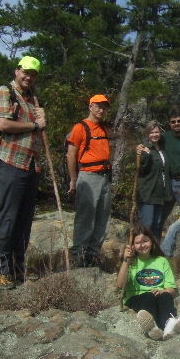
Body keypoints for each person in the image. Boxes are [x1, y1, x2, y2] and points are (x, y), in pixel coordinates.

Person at [0, 56, 46, 290]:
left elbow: (37, 130)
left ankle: (16, 269)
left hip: (30, 165)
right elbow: (3, 124)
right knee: (7, 217)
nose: (29, 77)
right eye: (26, 72)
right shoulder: (4, 92)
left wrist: (41, 120)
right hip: (9, 162)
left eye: (33, 74)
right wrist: (35, 125)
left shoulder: (32, 99)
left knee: (23, 220)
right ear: (17, 71)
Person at [118, 224, 180, 340]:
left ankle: (169, 326)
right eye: (137, 243)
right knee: (149, 296)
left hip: (159, 296)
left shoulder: (162, 261)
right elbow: (120, 285)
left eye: (145, 241)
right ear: (132, 246)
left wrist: (163, 291)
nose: (142, 245)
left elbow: (172, 289)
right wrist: (125, 261)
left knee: (166, 296)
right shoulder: (131, 262)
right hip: (137, 298)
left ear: (152, 242)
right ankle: (151, 327)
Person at [66, 94, 113, 268]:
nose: (101, 110)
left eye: (104, 107)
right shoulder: (81, 127)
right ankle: (78, 256)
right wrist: (73, 179)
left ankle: (92, 256)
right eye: (98, 106)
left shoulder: (104, 128)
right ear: (90, 106)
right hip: (88, 176)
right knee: (86, 218)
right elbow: (71, 154)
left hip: (105, 177)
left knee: (102, 217)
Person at [136, 121, 173, 240]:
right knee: (146, 226)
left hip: (161, 194)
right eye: (151, 132)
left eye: (156, 132)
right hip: (148, 194)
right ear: (147, 134)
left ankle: (155, 249)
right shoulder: (144, 149)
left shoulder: (163, 149)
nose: (154, 135)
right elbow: (141, 169)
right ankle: (142, 249)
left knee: (157, 226)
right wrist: (146, 155)